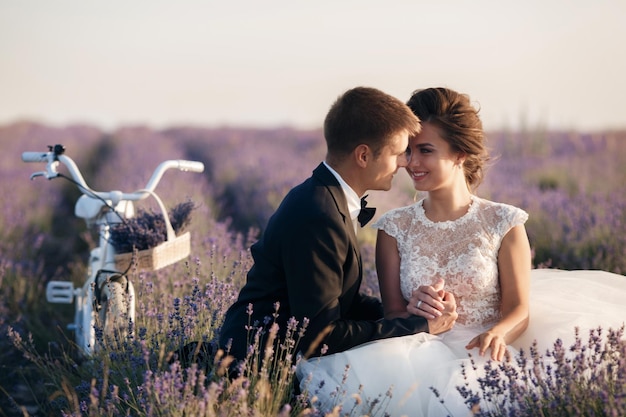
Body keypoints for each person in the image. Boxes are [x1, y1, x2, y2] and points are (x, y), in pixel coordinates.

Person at [296, 87, 626, 416]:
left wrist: (496, 334)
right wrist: (415, 311)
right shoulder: (393, 228)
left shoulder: (503, 222)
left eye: (425, 150)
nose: (411, 163)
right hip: (414, 355)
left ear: (459, 153)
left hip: (486, 354)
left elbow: (519, 310)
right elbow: (392, 315)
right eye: (408, 151)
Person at [217, 86, 458, 373]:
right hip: (259, 365)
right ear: (363, 156)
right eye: (398, 153)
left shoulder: (326, 198)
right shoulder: (319, 214)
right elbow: (320, 334)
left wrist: (403, 311)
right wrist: (417, 326)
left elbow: (343, 300)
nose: (405, 163)